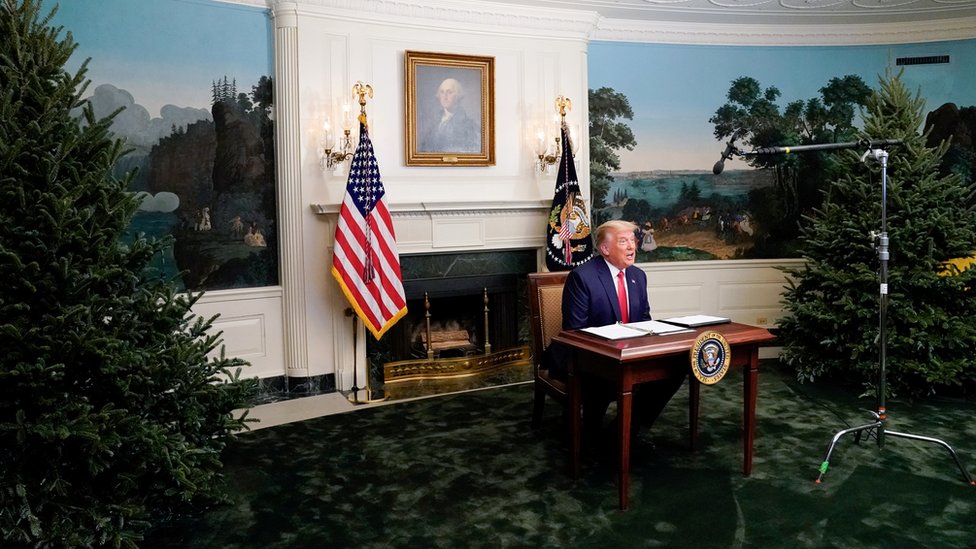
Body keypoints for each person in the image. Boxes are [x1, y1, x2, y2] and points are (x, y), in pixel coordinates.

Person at [546, 219, 685, 445]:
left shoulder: (638, 276)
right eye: (624, 241)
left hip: (626, 354)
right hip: (584, 355)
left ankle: (625, 429)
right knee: (603, 381)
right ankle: (592, 438)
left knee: (674, 369)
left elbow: (643, 320)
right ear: (605, 249)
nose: (632, 247)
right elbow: (575, 330)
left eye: (633, 240)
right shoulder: (582, 277)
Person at [419, 77, 480, 153]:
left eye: (449, 92)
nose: (445, 96)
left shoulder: (470, 126)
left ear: (458, 96)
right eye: (442, 92)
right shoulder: (433, 123)